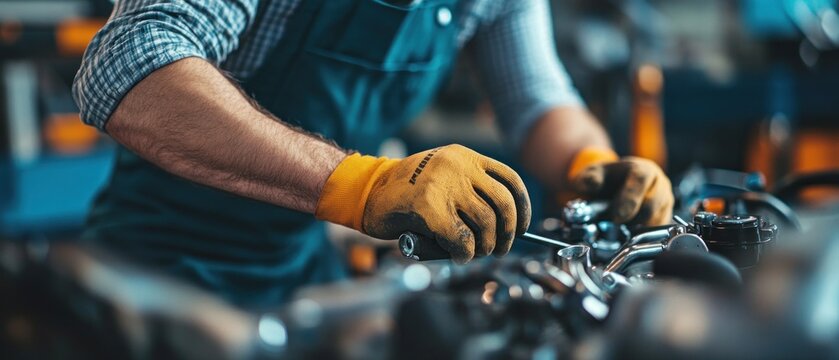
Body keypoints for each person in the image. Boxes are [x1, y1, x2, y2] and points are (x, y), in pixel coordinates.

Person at [73, 0, 673, 309]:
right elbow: (128, 63)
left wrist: (591, 163)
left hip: (302, 274)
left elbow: (537, 99)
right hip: (155, 269)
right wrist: (360, 183)